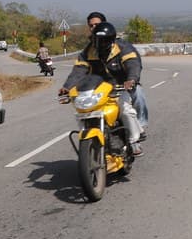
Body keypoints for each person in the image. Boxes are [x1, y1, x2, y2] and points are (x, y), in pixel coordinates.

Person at [59, 15, 146, 155]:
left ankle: (135, 139)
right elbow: (79, 70)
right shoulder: (89, 50)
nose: (100, 43)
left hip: (121, 87)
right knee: (85, 110)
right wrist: (67, 87)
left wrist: (131, 79)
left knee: (126, 108)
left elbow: (133, 64)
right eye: (98, 40)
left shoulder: (123, 47)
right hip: (99, 89)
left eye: (104, 40)